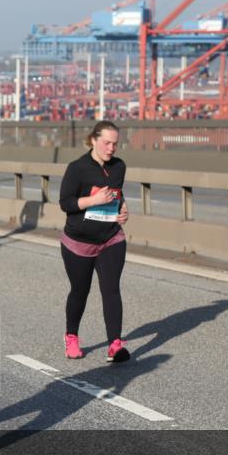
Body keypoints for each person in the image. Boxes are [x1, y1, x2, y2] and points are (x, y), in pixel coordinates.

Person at [57, 120, 131, 364]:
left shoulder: (119, 166)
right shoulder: (77, 168)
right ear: (93, 140)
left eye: (115, 144)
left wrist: (124, 209)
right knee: (80, 291)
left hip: (111, 237)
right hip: (79, 241)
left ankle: (115, 345)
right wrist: (93, 200)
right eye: (107, 143)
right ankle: (71, 336)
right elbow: (66, 203)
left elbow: (118, 194)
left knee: (111, 289)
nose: (111, 148)